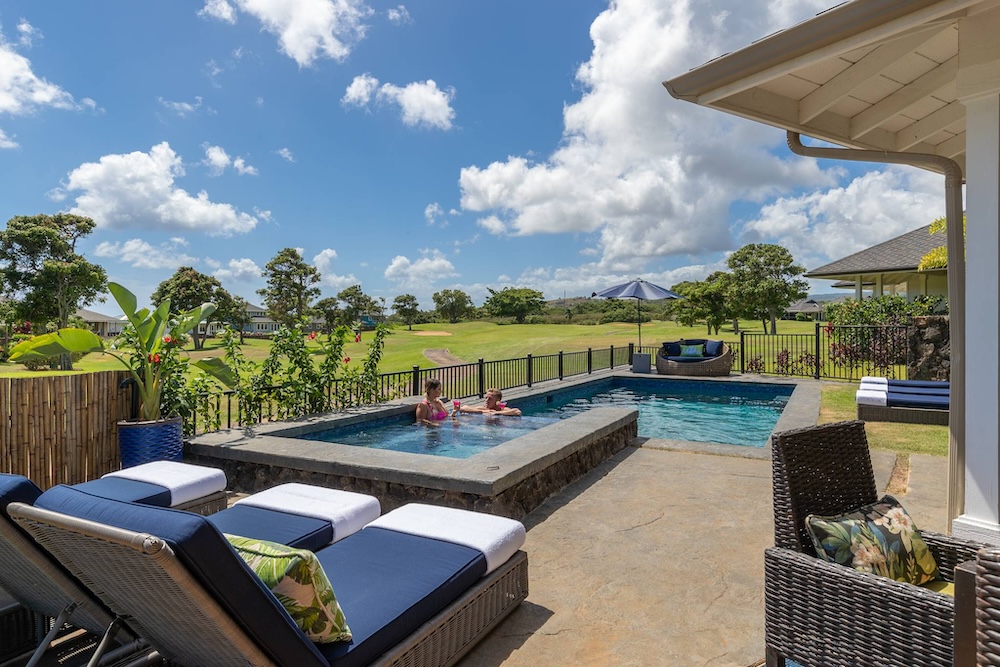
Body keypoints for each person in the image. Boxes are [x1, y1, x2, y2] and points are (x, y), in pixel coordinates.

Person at [457, 388, 522, 416]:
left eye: (490, 399)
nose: (487, 400)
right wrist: (484, 412)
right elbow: (463, 408)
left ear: (497, 401)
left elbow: (517, 411)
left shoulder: (503, 410)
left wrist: (497, 413)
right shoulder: (483, 409)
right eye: (486, 398)